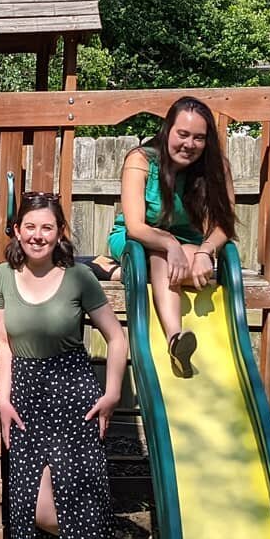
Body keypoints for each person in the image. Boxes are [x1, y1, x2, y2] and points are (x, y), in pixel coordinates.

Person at [0, 194, 129, 539]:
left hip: (73, 390)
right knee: (39, 506)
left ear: (59, 233)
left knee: (84, 486)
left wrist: (111, 394)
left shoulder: (78, 278)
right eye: (30, 226)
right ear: (17, 230)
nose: (38, 235)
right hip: (26, 395)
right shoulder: (1, 277)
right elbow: (3, 344)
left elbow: (117, 338)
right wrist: (3, 399)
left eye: (47, 228)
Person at [99, 96, 236, 376]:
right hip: (136, 240)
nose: (189, 144)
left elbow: (225, 223)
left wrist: (204, 252)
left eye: (198, 138)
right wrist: (168, 242)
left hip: (188, 243)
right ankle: (175, 337)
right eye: (182, 134)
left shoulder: (216, 166)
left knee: (194, 268)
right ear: (167, 130)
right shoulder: (141, 159)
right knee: (160, 254)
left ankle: (119, 273)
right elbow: (136, 226)